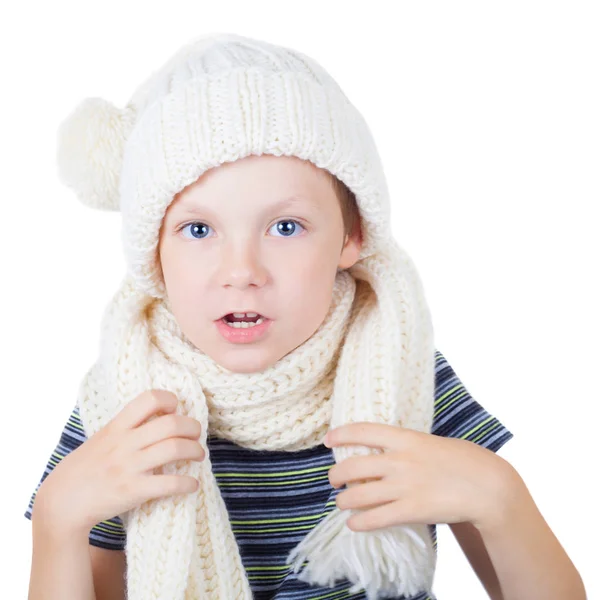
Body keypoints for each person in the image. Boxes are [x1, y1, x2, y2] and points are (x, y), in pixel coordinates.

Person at [24, 32, 585, 600]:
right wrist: (56, 523)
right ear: (154, 255)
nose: (241, 270)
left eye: (285, 227)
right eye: (199, 230)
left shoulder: (402, 370)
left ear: (353, 236)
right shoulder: (125, 402)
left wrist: (500, 496)